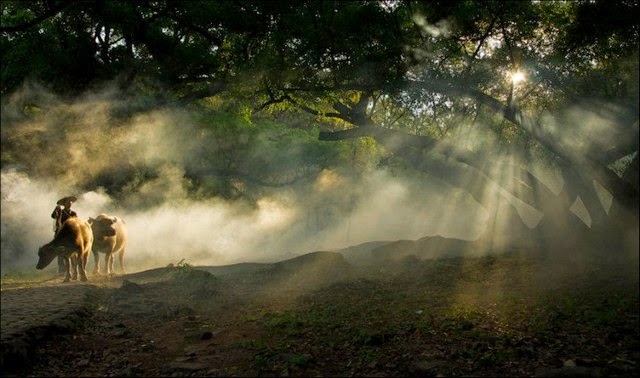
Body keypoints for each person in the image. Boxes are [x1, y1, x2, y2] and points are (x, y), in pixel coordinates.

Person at [51, 195, 78, 274]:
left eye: (70, 202)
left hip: (70, 234)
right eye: (68, 202)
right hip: (61, 235)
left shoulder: (73, 213)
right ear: (64, 204)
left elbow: (77, 222)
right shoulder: (60, 212)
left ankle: (75, 270)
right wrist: (56, 210)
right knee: (60, 252)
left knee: (73, 252)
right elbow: (53, 216)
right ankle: (62, 270)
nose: (69, 204)